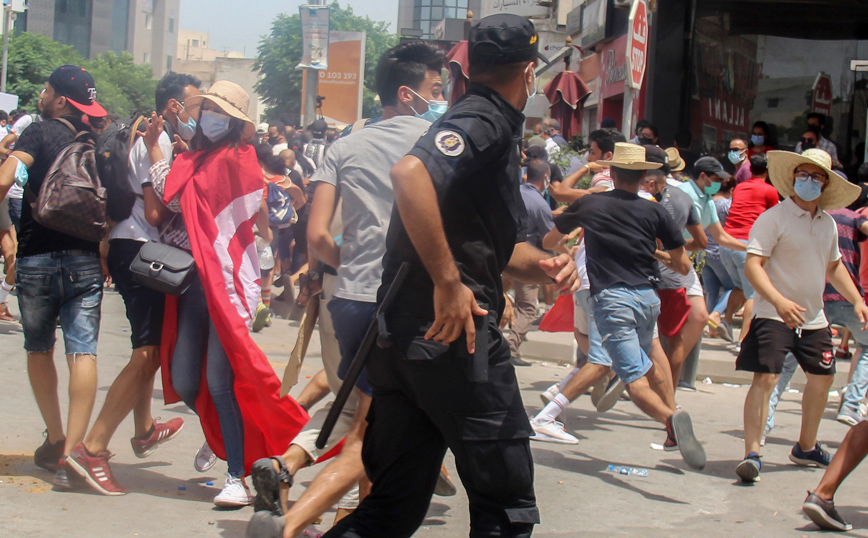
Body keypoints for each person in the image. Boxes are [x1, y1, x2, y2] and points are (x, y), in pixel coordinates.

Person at [318, 15, 578, 538]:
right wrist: (448, 282)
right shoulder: (482, 118)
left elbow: (483, 247)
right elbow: (409, 175)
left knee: (392, 508)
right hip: (451, 337)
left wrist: (544, 265)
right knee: (506, 508)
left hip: (407, 342)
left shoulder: (481, 118)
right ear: (530, 73)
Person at [246, 41, 452, 538]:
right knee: (371, 433)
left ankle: (317, 506)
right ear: (408, 94)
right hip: (415, 303)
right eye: (436, 89)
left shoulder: (344, 147)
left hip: (352, 301)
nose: (442, 98)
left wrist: (356, 265)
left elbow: (315, 237)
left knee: (370, 423)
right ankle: (297, 523)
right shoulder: (441, 141)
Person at [146, 80, 309, 506]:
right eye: (208, 110)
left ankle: (235, 475)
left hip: (226, 283)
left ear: (236, 123)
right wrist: (171, 156)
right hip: (191, 285)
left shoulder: (237, 158)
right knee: (184, 381)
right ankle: (221, 434)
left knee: (219, 381)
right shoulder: (198, 156)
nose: (211, 117)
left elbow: (176, 197)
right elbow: (178, 192)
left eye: (221, 112)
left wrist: (155, 153)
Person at [64, 72, 203, 496]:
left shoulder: (143, 136)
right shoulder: (150, 142)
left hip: (130, 246)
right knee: (147, 354)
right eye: (196, 105)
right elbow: (158, 213)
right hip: (146, 250)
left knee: (148, 345)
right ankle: (92, 448)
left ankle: (144, 428)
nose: (202, 114)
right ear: (174, 106)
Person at [545, 142, 706, 470]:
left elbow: (549, 240)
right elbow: (684, 267)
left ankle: (671, 419)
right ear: (645, 176)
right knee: (647, 363)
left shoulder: (590, 203)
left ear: (612, 173)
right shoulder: (656, 211)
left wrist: (567, 243)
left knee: (634, 382)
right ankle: (673, 420)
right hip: (648, 300)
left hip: (613, 302)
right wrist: (653, 252)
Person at [0, 65, 107, 489]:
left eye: (45, 91)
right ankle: (72, 453)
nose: (41, 97)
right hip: (84, 259)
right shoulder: (93, 141)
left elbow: (7, 177)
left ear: (60, 99)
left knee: (39, 348)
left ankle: (56, 436)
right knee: (83, 352)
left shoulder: (38, 132)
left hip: (36, 257)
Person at [734, 149, 867, 484]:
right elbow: (753, 265)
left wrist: (857, 300)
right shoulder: (774, 218)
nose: (808, 181)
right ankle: (752, 453)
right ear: (793, 178)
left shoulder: (828, 224)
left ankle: (806, 446)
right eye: (803, 175)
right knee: (765, 379)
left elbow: (833, 268)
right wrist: (778, 301)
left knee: (822, 379)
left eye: (816, 176)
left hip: (814, 318)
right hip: (773, 315)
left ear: (825, 184)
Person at [668, 157, 746, 387]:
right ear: (702, 176)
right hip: (666, 261)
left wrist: (753, 247)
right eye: (715, 179)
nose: (718, 184)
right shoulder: (680, 194)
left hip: (687, 264)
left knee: (701, 317)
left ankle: (667, 368)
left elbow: (721, 237)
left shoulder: (707, 200)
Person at [719, 153, 779, 351]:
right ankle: (743, 341)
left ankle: (726, 321)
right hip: (747, 246)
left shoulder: (740, 188)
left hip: (726, 244)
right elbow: (774, 219)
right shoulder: (770, 190)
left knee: (739, 286)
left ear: (750, 169)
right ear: (768, 171)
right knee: (753, 294)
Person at [507, 159, 555, 367]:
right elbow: (550, 238)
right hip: (525, 260)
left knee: (501, 297)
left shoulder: (514, 192)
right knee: (527, 307)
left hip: (504, 257)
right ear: (546, 178)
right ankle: (511, 347)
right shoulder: (540, 204)